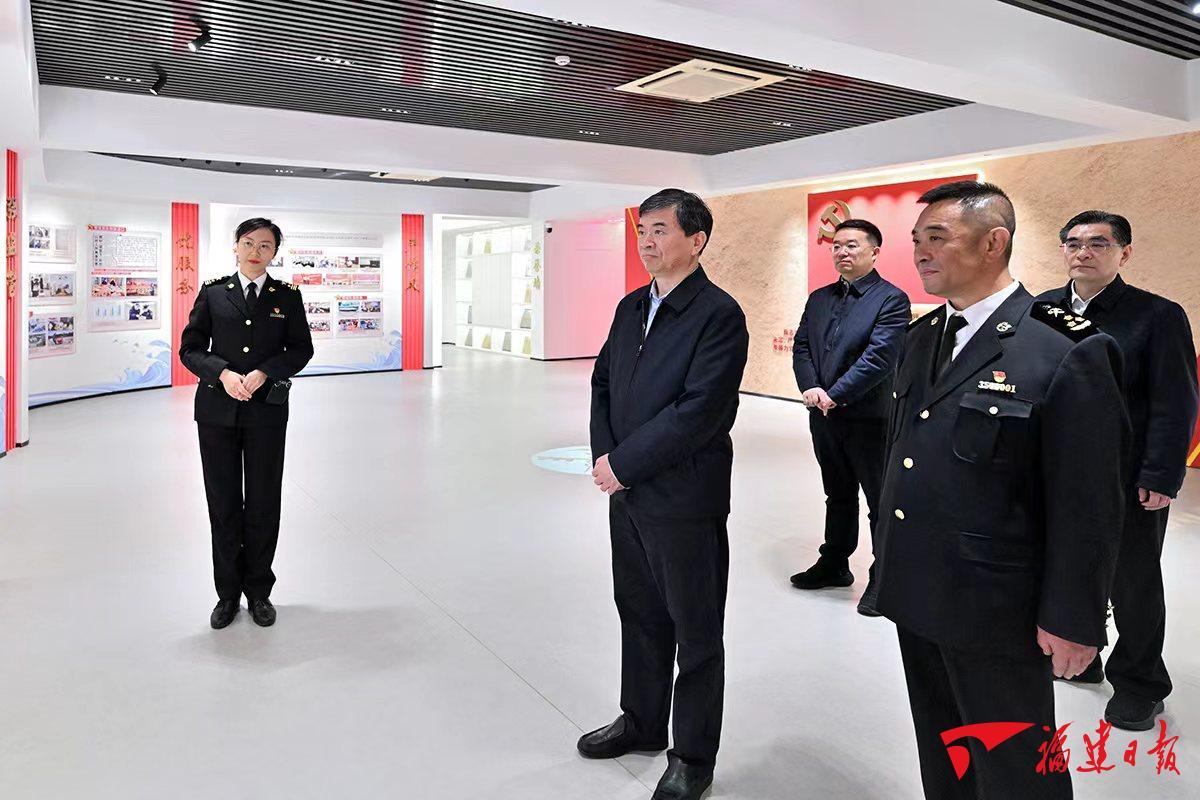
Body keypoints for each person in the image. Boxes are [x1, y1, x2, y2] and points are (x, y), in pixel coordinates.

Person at [874, 181, 1129, 799]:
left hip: (998, 604)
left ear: (994, 243)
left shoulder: (1066, 345)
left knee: (1016, 765)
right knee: (943, 747)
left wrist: (1073, 619)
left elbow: (1089, 503)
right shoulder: (923, 336)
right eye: (917, 239)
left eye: (938, 237)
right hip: (921, 585)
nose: (920, 252)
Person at [582, 188, 748, 800]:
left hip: (684, 497)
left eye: (660, 230)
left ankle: (693, 757)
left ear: (696, 240)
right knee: (639, 612)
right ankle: (642, 722)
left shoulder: (718, 314)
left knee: (694, 631)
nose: (646, 242)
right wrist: (607, 458)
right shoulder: (631, 306)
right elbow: (603, 380)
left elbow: (701, 411)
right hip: (628, 493)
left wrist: (624, 464)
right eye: (641, 230)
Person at [1035, 211, 1198, 730]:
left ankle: (1140, 682)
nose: (1083, 252)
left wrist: (1161, 475)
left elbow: (1176, 402)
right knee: (1064, 565)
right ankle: (1080, 655)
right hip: (1056, 471)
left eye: (1098, 243)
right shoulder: (1041, 309)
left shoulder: (1157, 315)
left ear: (1124, 253)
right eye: (1073, 243)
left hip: (1126, 476)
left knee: (1133, 580)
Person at [179, 218, 314, 630]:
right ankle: (226, 596)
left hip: (265, 413)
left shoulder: (287, 296)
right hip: (216, 412)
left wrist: (265, 372)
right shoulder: (213, 293)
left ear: (275, 252)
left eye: (265, 245)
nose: (256, 251)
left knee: (263, 502)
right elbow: (190, 349)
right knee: (222, 504)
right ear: (235, 247)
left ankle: (259, 593)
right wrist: (221, 373)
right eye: (249, 243)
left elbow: (301, 348)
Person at [790, 218, 910, 614]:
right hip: (823, 415)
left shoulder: (891, 299)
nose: (842, 252)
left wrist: (836, 395)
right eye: (837, 245)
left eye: (852, 245)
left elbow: (879, 358)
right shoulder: (819, 298)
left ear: (875, 252)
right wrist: (811, 388)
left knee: (879, 498)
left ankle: (885, 577)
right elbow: (802, 346)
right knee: (837, 493)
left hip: (870, 418)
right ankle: (834, 563)